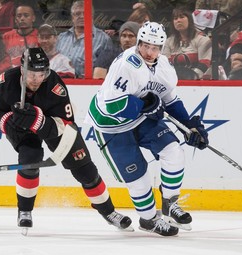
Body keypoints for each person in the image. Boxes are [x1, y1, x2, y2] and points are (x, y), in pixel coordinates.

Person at [0, 47, 132, 233]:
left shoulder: (55, 86)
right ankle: (24, 211)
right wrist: (7, 121)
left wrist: (38, 121)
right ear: (22, 69)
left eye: (41, 74)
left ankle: (109, 213)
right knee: (30, 159)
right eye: (32, 74)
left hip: (56, 128)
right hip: (22, 128)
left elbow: (66, 122)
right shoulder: (6, 81)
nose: (37, 79)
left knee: (86, 171)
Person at [85, 22, 209, 236]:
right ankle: (149, 219)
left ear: (161, 48)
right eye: (146, 46)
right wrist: (144, 105)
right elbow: (112, 105)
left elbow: (169, 99)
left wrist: (189, 126)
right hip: (111, 126)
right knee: (139, 180)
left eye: (155, 48)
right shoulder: (126, 64)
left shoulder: (164, 67)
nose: (150, 52)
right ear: (139, 43)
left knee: (173, 151)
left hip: (141, 119)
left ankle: (170, 203)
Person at [56, 0, 114, 78]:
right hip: (61, 84)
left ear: (92, 16)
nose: (82, 16)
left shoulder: (104, 39)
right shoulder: (61, 38)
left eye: (85, 13)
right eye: (77, 14)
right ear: (72, 17)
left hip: (87, 87)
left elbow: (107, 71)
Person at [163, 7, 212, 79]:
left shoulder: (203, 39)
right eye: (175, 18)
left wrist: (191, 77)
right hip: (174, 80)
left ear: (190, 19)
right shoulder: (168, 41)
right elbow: (165, 64)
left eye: (182, 17)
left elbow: (205, 64)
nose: (178, 20)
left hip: (199, 82)